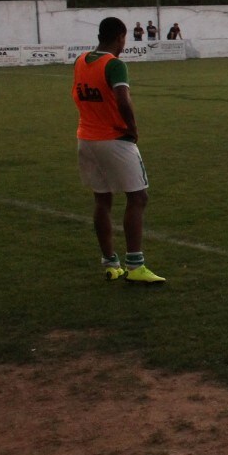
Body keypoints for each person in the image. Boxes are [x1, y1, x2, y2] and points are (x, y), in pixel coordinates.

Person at [72, 17, 165, 285]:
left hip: (86, 138)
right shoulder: (114, 65)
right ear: (120, 37)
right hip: (113, 138)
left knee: (102, 200)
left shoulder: (80, 61)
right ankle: (135, 265)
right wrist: (132, 128)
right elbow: (122, 99)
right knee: (138, 198)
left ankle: (110, 263)